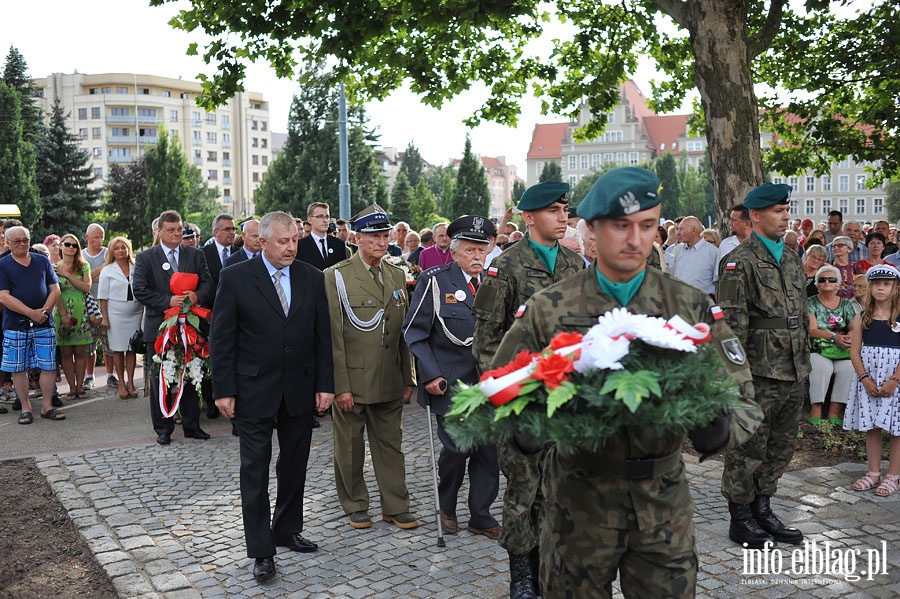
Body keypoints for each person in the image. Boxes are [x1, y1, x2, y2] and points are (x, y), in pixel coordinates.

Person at [492, 167, 760, 598]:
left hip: (662, 501)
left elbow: (745, 399)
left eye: (647, 226)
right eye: (621, 226)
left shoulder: (687, 305)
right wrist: (529, 427)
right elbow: (503, 393)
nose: (636, 239)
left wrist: (718, 425)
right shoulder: (549, 309)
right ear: (594, 230)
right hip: (578, 501)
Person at [472, 180, 583, 598]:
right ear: (529, 216)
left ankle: (549, 570)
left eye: (564, 210)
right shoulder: (506, 268)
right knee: (523, 491)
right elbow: (485, 342)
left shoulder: (575, 266)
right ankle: (522, 577)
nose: (562, 217)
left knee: (559, 490)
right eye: (553, 210)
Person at [210, 211, 334, 583]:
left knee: (294, 465)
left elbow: (322, 337)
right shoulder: (234, 277)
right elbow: (222, 338)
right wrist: (224, 389)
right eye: (284, 241)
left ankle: (286, 529)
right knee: (255, 470)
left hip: (299, 388)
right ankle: (262, 550)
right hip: (252, 391)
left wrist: (325, 384)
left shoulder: (311, 277)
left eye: (295, 239)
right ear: (262, 242)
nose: (292, 247)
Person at [718, 182, 810, 549]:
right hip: (757, 370)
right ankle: (740, 517)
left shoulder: (790, 257)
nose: (785, 215)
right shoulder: (738, 261)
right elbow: (729, 328)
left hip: (792, 367)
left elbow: (799, 314)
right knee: (747, 446)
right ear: (755, 216)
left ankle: (763, 508)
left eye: (786, 209)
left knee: (781, 445)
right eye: (777, 210)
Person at [403, 215, 501, 541]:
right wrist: (430, 375)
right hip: (449, 381)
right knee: (457, 449)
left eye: (482, 250)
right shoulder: (436, 281)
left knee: (488, 451)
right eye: (470, 250)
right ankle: (446, 506)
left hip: (487, 382)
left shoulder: (495, 282)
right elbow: (415, 333)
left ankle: (481, 515)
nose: (477, 257)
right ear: (455, 251)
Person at [323, 205, 418, 530]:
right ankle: (355, 504)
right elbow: (334, 336)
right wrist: (340, 385)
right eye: (374, 236)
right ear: (357, 238)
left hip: (390, 378)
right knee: (349, 447)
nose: (381, 241)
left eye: (384, 235)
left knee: (391, 445)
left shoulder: (395, 274)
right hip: (353, 380)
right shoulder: (336, 276)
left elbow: (403, 331)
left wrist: (409, 376)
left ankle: (395, 505)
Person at [133, 210, 214, 445]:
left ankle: (192, 425)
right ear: (159, 231)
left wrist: (196, 296)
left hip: (191, 325)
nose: (177, 234)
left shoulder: (196, 254)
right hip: (160, 327)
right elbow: (140, 289)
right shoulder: (147, 257)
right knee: (161, 378)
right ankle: (163, 428)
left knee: (191, 373)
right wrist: (167, 301)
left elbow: (208, 283)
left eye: (179, 229)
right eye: (171, 230)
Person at [844, 264, 900, 497]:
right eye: (876, 283)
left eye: (886, 284)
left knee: (896, 429)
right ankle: (873, 473)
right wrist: (864, 379)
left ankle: (893, 477)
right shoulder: (862, 317)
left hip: (894, 380)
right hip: (870, 378)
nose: (880, 288)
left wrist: (894, 380)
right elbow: (855, 351)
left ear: (895, 289)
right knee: (873, 427)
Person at [0, 226, 64, 423]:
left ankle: (47, 406)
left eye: (25, 240)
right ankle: (26, 408)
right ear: (8, 243)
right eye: (17, 241)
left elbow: (55, 289)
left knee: (48, 365)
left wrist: (44, 312)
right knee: (18, 367)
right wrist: (31, 313)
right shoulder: (2, 264)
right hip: (15, 324)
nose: (22, 244)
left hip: (44, 323)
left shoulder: (42, 261)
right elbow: (3, 296)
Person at [807, 265, 855, 425]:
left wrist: (849, 338)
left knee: (848, 369)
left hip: (843, 349)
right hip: (819, 348)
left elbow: (854, 327)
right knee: (822, 368)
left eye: (831, 279)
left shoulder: (846, 304)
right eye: (822, 279)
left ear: (838, 284)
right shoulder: (810, 303)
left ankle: (835, 412)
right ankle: (816, 410)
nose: (826, 282)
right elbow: (812, 330)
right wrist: (835, 338)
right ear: (816, 283)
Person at [97, 236, 143, 400]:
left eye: (124, 247)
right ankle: (121, 383)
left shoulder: (137, 267)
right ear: (112, 252)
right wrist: (105, 318)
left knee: (131, 348)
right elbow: (102, 297)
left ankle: (131, 382)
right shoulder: (107, 270)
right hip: (115, 314)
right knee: (118, 349)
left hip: (135, 312)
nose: (121, 250)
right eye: (117, 248)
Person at [53, 234, 93, 401]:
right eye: (67, 244)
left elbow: (86, 287)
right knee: (66, 352)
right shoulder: (54, 267)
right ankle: (71, 388)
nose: (70, 248)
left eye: (74, 245)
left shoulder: (83, 266)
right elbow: (54, 292)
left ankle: (79, 386)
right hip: (62, 311)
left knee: (81, 351)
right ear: (61, 246)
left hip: (80, 311)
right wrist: (63, 315)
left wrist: (67, 275)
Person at [82, 223, 114, 390]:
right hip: (87, 305)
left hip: (107, 305)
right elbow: (84, 281)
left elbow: (106, 277)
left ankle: (110, 375)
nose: (100, 240)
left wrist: (89, 276)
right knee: (90, 344)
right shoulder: (80, 255)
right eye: (96, 237)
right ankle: (89, 376)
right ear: (87, 237)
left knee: (108, 343)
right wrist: (101, 269)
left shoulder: (108, 253)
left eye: (102, 237)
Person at [670, 216, 718, 296]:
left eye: (681, 229)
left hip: (702, 303)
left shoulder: (712, 252)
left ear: (693, 230)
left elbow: (718, 282)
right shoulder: (677, 250)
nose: (678, 233)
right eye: (677, 229)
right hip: (678, 302)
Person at [298, 202, 348, 270]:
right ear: (310, 220)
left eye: (327, 217)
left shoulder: (338, 244)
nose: (325, 220)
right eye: (320, 216)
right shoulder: (300, 246)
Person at [830, 235, 864, 300]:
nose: (836, 248)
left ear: (849, 249)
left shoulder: (856, 267)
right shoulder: (829, 267)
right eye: (834, 246)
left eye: (840, 245)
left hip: (854, 302)